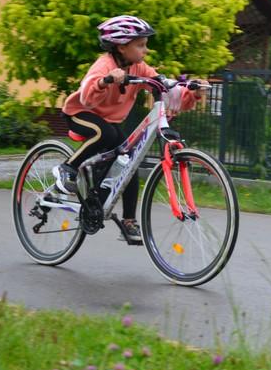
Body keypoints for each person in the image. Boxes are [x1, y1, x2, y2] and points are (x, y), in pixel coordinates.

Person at [53, 15, 205, 242]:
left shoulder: (139, 67)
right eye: (141, 45)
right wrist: (106, 81)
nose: (146, 50)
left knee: (130, 160)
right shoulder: (105, 64)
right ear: (122, 46)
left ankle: (128, 221)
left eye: (145, 44)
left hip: (110, 121)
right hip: (81, 113)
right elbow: (86, 97)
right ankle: (67, 168)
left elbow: (164, 86)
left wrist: (191, 92)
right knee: (106, 133)